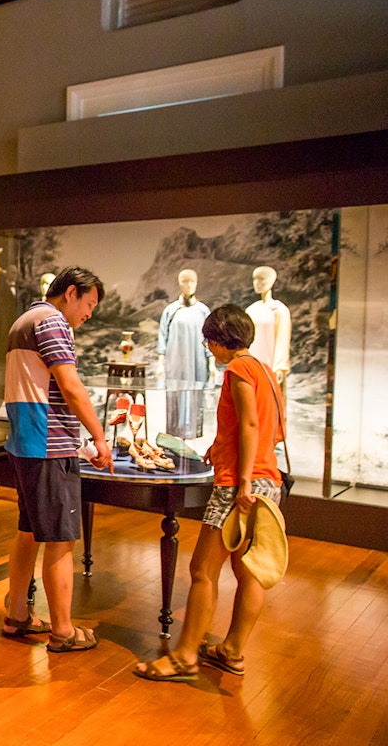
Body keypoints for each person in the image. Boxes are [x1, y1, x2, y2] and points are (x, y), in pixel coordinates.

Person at [134, 304, 285, 682]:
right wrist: (220, 448)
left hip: (240, 485)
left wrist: (243, 480)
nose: (209, 349)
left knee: (202, 569)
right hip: (269, 480)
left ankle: (184, 658)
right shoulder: (265, 370)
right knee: (249, 571)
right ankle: (232, 650)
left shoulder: (238, 369)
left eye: (209, 342)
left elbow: (250, 424)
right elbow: (271, 430)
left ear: (219, 340)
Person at [2, 266, 112, 652]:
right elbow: (70, 384)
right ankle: (63, 632)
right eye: (89, 303)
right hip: (49, 444)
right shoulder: (53, 322)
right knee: (61, 539)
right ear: (70, 293)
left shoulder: (25, 320)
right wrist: (99, 437)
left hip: (25, 441)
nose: (89, 313)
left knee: (29, 531)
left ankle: (17, 615)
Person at [156, 269, 216, 439]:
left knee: (196, 395)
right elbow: (163, 338)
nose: (189, 285)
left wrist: (211, 364)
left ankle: (192, 433)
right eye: (185, 281)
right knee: (175, 394)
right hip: (176, 361)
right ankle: (174, 435)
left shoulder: (203, 311)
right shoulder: (171, 310)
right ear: (179, 283)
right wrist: (160, 363)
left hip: (197, 361)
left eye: (192, 282)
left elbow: (209, 339)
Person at [246, 266, 291, 390]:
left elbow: (282, 339)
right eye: (255, 279)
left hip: (270, 363)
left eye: (261, 280)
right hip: (252, 362)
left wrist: (280, 367)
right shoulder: (251, 310)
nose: (257, 283)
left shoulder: (279, 310)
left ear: (271, 281)